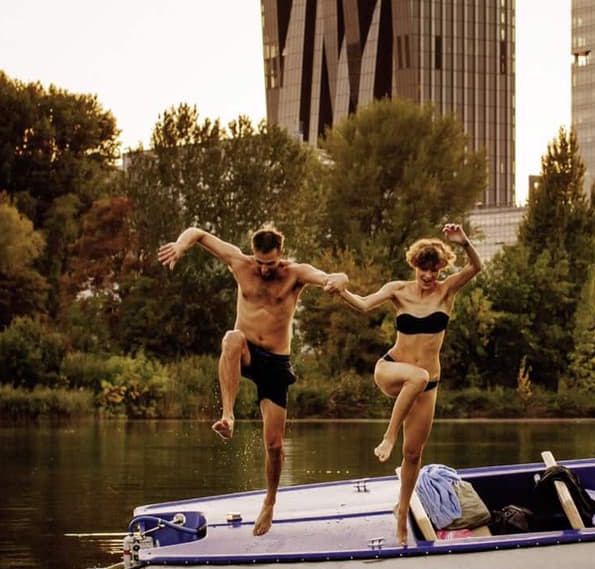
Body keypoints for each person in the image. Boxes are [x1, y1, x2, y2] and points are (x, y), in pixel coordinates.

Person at [156, 224, 344, 536]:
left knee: (274, 445)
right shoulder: (241, 264)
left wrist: (338, 279)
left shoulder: (295, 274)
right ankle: (228, 416)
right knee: (231, 338)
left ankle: (269, 501)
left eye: (270, 263)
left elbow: (327, 277)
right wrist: (180, 245)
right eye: (260, 262)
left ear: (280, 255)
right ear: (253, 254)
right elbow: (198, 233)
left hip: (275, 363)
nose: (264, 269)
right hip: (246, 353)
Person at [327, 222, 482, 545]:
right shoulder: (398, 289)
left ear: (441, 268)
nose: (429, 277)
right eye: (424, 270)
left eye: (435, 270)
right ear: (414, 266)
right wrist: (340, 291)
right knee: (417, 375)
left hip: (427, 386)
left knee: (413, 454)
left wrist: (464, 241)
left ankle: (401, 511)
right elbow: (365, 304)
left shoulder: (446, 291)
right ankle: (387, 436)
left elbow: (476, 266)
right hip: (393, 370)